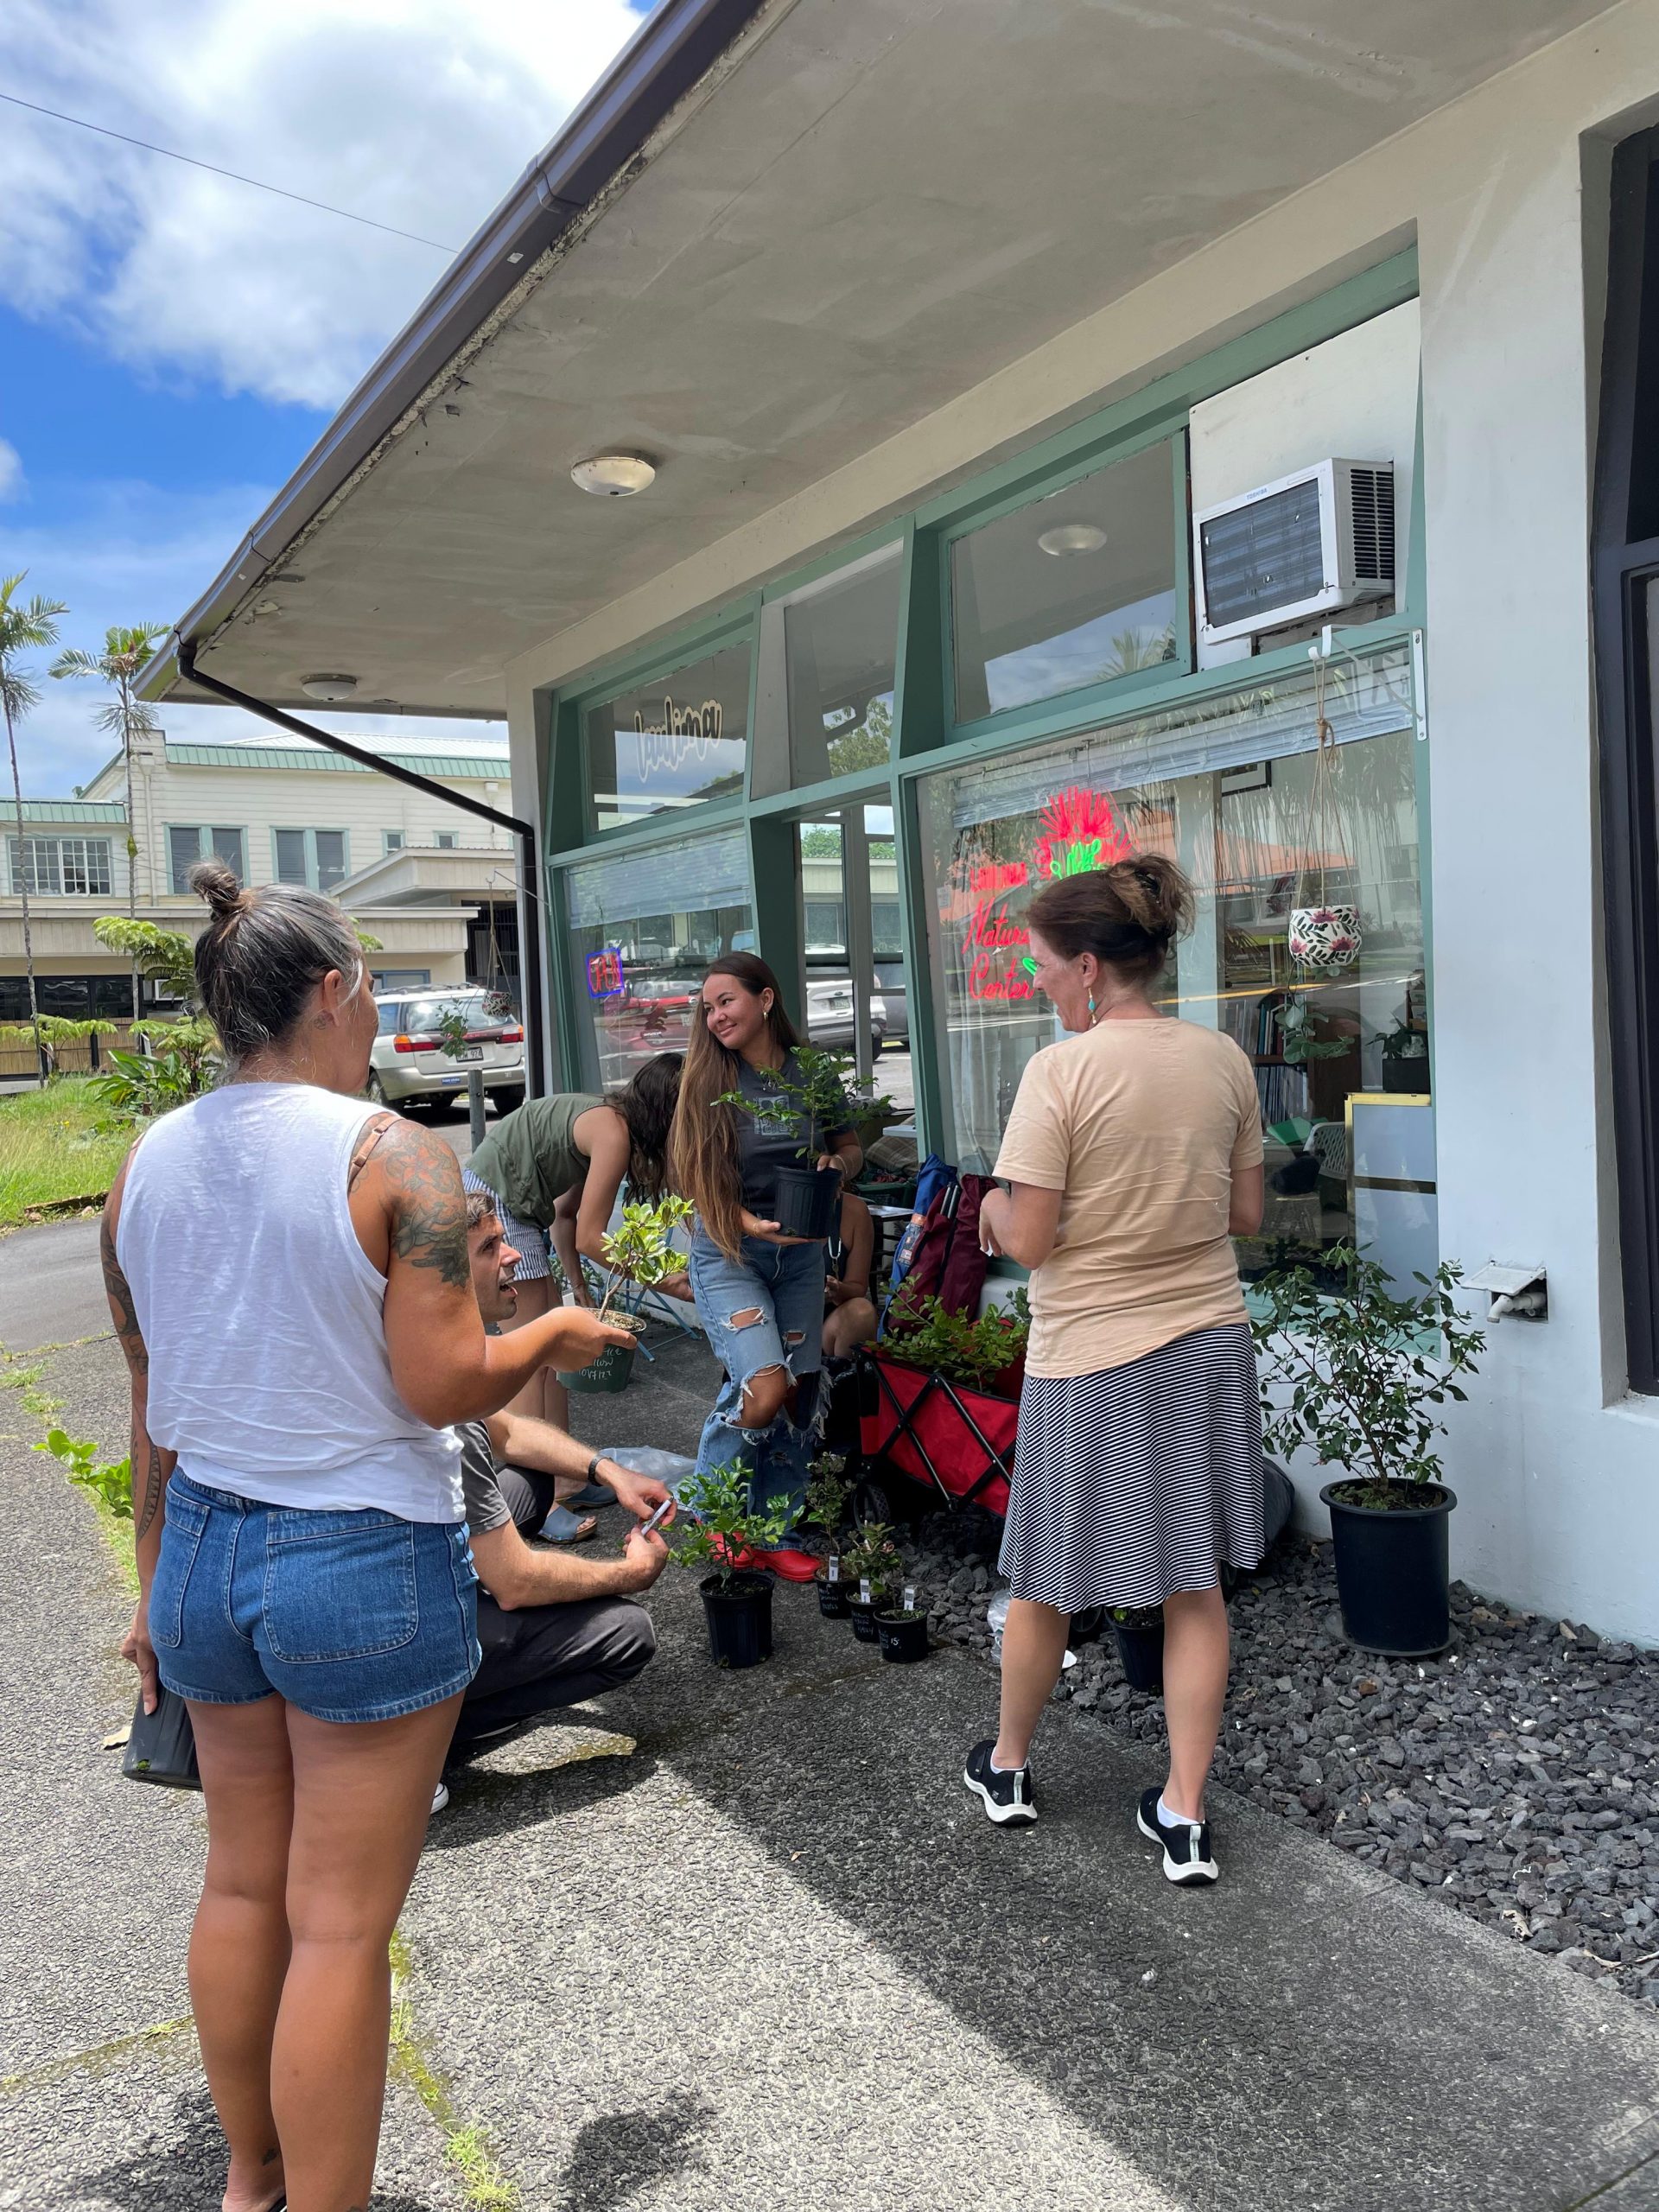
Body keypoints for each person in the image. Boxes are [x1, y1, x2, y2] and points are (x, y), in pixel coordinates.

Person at [107, 861, 628, 2212]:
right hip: (357, 1558)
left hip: (207, 1556)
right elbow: (445, 1389)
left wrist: (154, 1587)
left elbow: (152, 1402)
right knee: (340, 1924)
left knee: (240, 1889)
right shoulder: (396, 1157)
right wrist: (556, 1331)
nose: (380, 1013)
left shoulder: (144, 1163)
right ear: (333, 990)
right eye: (376, 988)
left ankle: (247, 2184)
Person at [961, 855, 1266, 1886]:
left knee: (1048, 1575)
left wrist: (991, 1208)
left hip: (1088, 1355)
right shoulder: (1224, 1059)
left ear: (1089, 967)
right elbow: (1246, 1215)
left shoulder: (1063, 1070)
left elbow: (1032, 1239)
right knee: (1194, 1581)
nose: (1040, 982)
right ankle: (1183, 1813)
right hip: (1207, 1338)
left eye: (1044, 965)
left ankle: (1007, 1767)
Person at [442, 1190, 671, 1788]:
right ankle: (425, 1740)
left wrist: (609, 1472)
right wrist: (631, 1574)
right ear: (440, 1273)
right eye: (491, 1246)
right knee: (626, 1633)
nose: (514, 1255)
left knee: (530, 1479)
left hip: (397, 1575)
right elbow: (516, 1584)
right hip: (393, 1626)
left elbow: (510, 1430)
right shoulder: (443, 1410)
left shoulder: (431, 1355)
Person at [669, 953, 861, 1576]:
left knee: (799, 1391)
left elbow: (849, 1147)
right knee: (763, 1383)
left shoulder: (811, 1073)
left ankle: (775, 1528)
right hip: (730, 1250)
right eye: (709, 1007)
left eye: (726, 1001)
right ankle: (716, 1509)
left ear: (766, 999)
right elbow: (693, 1179)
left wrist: (839, 1169)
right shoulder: (706, 1080)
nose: (716, 1016)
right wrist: (747, 1222)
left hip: (802, 1255)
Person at [462, 1053, 686, 1431]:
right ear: (667, 1113)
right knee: (528, 1360)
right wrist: (666, 1280)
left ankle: (563, 1479)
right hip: (500, 1201)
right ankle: (530, 1480)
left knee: (554, 1352)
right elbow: (589, 1238)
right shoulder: (613, 1133)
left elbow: (566, 1216)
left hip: (512, 1204)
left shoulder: (605, 1121)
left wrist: (578, 1288)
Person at [822, 1187, 879, 1358]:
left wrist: (836, 1288)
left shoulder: (853, 1210)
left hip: (825, 1324)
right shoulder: (762, 1210)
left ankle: (846, 1380)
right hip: (777, 1321)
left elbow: (857, 1286)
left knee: (861, 1313)